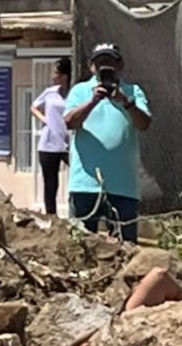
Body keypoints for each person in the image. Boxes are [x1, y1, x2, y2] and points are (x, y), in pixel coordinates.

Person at [64, 43, 152, 242]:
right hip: (85, 184)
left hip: (123, 186)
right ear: (91, 66)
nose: (106, 66)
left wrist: (125, 101)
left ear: (120, 65)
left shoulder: (133, 91)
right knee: (81, 244)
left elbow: (144, 123)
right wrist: (93, 101)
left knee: (125, 246)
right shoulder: (80, 91)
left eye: (110, 61)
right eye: (100, 62)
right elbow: (70, 122)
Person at [31, 57, 71, 216]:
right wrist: (45, 119)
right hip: (48, 144)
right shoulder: (50, 92)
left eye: (56, 72)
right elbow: (34, 107)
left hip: (67, 143)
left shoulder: (74, 93)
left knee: (77, 177)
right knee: (51, 183)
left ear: (65, 76)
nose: (53, 76)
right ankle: (51, 216)